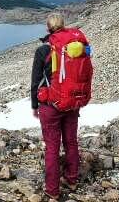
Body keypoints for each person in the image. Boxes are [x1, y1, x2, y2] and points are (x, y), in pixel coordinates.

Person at [31, 12, 81, 200]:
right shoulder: (75, 46)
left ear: (47, 28)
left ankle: (52, 190)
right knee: (71, 142)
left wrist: (35, 105)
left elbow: (36, 81)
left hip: (50, 105)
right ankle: (72, 179)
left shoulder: (43, 50)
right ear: (63, 25)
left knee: (52, 147)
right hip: (72, 102)